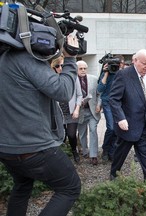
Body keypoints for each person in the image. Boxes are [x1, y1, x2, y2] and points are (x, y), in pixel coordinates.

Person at [0, 34, 81, 215]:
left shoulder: (4, 58)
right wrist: (70, 58)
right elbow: (62, 91)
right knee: (70, 187)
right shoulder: (25, 58)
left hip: (7, 149)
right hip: (34, 148)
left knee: (22, 185)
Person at [109, 49, 146, 180]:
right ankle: (113, 176)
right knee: (120, 154)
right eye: (144, 63)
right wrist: (120, 118)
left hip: (144, 123)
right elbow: (114, 99)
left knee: (145, 152)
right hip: (127, 125)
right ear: (135, 61)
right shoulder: (123, 75)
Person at [51, 55, 83, 163]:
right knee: (61, 136)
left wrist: (77, 108)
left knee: (71, 134)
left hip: (71, 112)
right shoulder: (50, 79)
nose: (60, 68)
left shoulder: (73, 77)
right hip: (57, 113)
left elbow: (79, 95)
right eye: (57, 66)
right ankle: (62, 156)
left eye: (63, 65)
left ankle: (74, 151)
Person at [97, 55, 125, 162]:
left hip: (119, 103)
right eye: (118, 64)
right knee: (111, 128)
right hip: (108, 102)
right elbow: (99, 89)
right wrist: (106, 73)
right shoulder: (106, 73)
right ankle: (105, 150)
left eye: (120, 64)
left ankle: (112, 151)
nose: (118, 66)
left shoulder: (122, 74)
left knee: (117, 128)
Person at [77, 60, 101, 165]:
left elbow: (100, 94)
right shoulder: (73, 80)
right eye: (80, 69)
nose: (83, 70)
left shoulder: (94, 79)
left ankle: (93, 155)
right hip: (80, 112)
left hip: (92, 111)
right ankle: (85, 151)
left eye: (84, 68)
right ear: (76, 70)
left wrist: (99, 105)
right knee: (82, 133)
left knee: (93, 130)